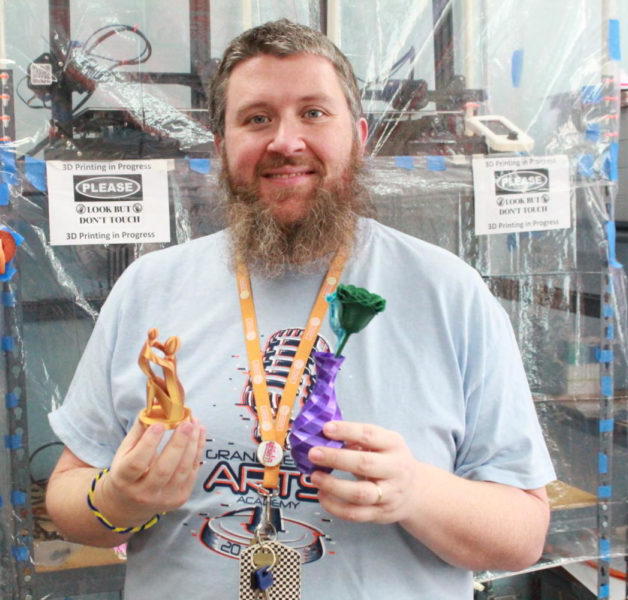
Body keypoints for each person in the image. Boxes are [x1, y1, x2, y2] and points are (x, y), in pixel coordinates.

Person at [46, 18, 555, 599]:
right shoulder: (149, 289)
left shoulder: (449, 292)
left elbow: (522, 535)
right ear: (221, 148)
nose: (285, 141)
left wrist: (416, 492)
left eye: (313, 113)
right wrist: (115, 498)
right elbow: (67, 496)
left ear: (358, 136)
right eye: (257, 118)